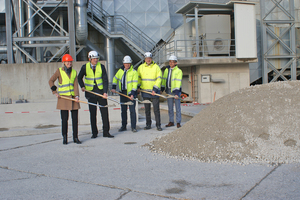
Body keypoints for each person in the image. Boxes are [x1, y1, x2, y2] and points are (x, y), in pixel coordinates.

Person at [78, 51, 114, 138]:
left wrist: (105, 92)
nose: (96, 60)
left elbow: (105, 80)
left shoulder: (101, 67)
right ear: (89, 58)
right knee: (93, 114)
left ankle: (106, 132)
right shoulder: (85, 67)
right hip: (90, 94)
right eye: (94, 58)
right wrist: (82, 86)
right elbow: (79, 78)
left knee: (104, 113)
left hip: (101, 93)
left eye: (97, 58)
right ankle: (94, 133)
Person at [49, 54, 81, 145]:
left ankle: (75, 137)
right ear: (64, 62)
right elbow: (51, 81)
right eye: (67, 61)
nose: (69, 63)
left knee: (75, 119)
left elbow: (75, 85)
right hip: (63, 98)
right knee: (64, 119)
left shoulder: (74, 72)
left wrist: (77, 96)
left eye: (70, 61)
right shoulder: (59, 71)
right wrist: (55, 92)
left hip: (73, 98)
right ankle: (65, 137)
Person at [111, 55, 138, 132]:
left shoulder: (134, 72)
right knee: (123, 110)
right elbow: (115, 79)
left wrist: (132, 94)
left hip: (130, 94)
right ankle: (124, 126)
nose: (127, 65)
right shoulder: (120, 71)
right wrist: (113, 87)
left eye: (128, 63)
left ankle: (133, 127)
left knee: (132, 111)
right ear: (123, 63)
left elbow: (135, 84)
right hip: (122, 93)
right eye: (126, 63)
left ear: (131, 63)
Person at [137, 52, 162, 131]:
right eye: (147, 58)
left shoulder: (156, 67)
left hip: (154, 92)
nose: (148, 59)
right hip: (145, 92)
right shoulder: (140, 67)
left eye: (149, 58)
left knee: (156, 109)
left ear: (151, 59)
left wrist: (155, 89)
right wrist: (138, 86)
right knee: (147, 110)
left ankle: (158, 125)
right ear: (144, 59)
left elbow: (159, 79)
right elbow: (138, 78)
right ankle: (148, 124)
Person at [161, 55, 183, 128]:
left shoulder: (178, 71)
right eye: (170, 62)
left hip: (176, 91)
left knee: (177, 108)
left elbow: (178, 82)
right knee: (170, 107)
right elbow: (164, 80)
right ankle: (171, 121)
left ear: (176, 63)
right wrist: (162, 89)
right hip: (168, 91)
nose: (171, 63)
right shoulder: (166, 70)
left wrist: (176, 93)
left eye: (172, 62)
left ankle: (178, 122)